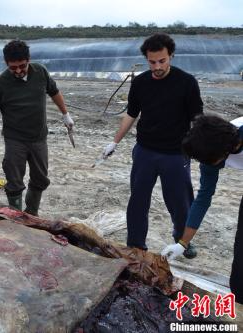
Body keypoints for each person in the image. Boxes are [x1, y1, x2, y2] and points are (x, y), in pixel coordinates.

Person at [102, 33, 203, 256]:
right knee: (138, 200)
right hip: (145, 151)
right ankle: (136, 245)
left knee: (180, 201)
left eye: (162, 61)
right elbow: (131, 113)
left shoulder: (187, 82)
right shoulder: (140, 82)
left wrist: (200, 146)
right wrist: (114, 141)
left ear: (171, 56)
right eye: (152, 62)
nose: (157, 66)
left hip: (176, 154)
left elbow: (197, 119)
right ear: (146, 59)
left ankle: (182, 240)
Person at [0, 39, 74, 216]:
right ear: (6, 63)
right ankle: (17, 215)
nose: (17, 71)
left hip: (39, 137)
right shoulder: (1, 83)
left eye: (22, 66)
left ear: (29, 59)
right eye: (13, 67)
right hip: (15, 139)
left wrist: (65, 114)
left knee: (40, 178)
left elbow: (54, 92)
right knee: (14, 179)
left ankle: (32, 214)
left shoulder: (40, 72)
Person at [162, 115, 243, 304]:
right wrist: (182, 243)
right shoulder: (213, 149)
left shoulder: (218, 147)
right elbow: (203, 198)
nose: (204, 163)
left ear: (223, 152)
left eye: (206, 160)